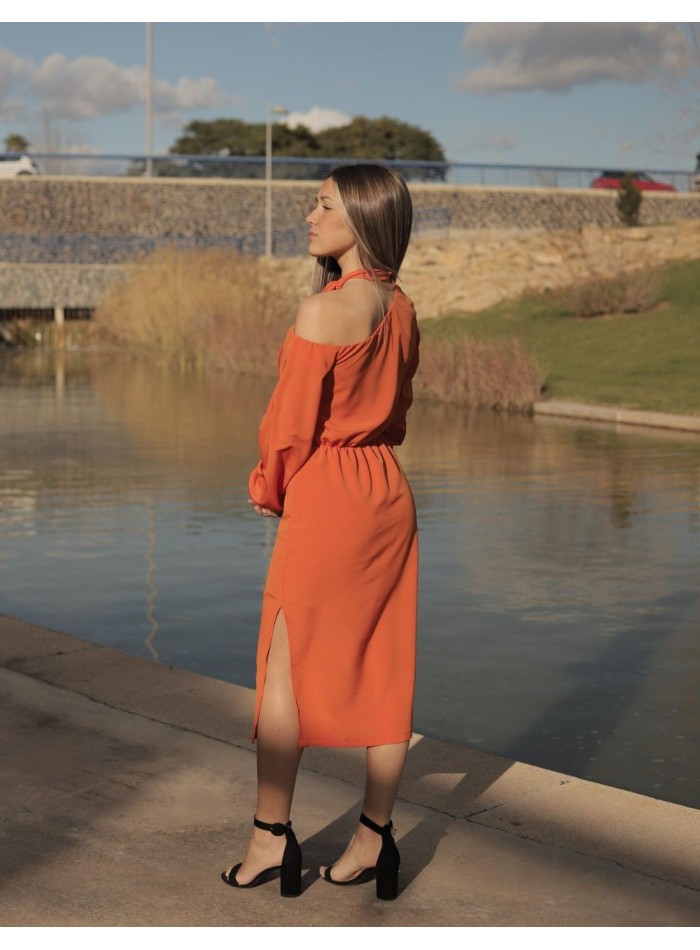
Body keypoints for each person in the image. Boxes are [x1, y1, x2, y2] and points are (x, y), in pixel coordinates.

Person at [221, 163, 420, 901]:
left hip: (329, 493)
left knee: (285, 663)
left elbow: (289, 429)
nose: (310, 215)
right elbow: (397, 410)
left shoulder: (323, 312)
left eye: (324, 204)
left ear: (362, 218)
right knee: (386, 662)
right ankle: (374, 836)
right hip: (386, 490)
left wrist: (268, 487)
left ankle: (270, 837)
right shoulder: (402, 308)